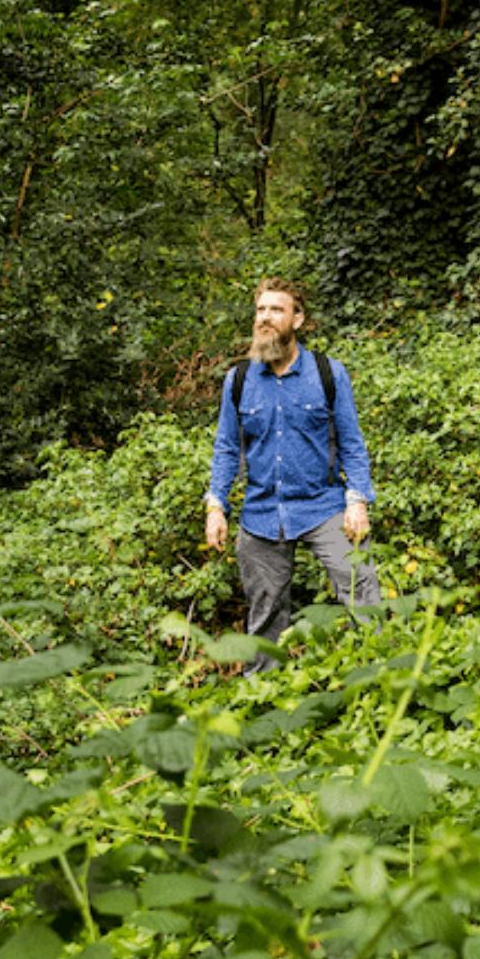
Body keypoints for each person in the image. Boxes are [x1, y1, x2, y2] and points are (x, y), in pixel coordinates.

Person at [205, 278, 380, 673]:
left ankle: (381, 675)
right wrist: (216, 506)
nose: (265, 318)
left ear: (297, 319)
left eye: (276, 310)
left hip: (324, 505)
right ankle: (261, 695)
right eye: (260, 310)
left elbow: (351, 442)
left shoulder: (327, 373)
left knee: (362, 591)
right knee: (264, 612)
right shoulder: (239, 380)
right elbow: (227, 447)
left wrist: (358, 501)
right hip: (261, 511)